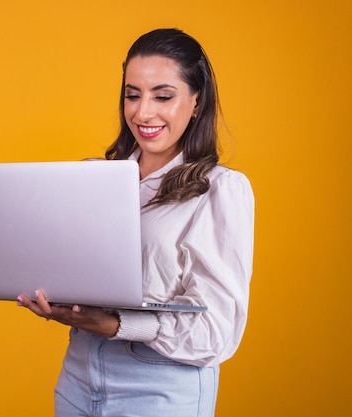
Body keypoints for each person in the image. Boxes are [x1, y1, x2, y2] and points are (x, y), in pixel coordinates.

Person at [16, 28, 255, 417]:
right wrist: (58, 295)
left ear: (196, 102)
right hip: (79, 375)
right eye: (132, 94)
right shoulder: (93, 180)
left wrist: (116, 324)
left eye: (163, 96)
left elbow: (217, 336)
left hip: (160, 387)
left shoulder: (219, 191)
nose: (143, 113)